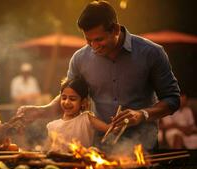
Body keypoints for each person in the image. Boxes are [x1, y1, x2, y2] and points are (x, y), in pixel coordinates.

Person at [17, 1, 180, 151]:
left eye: (99, 39)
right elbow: (69, 96)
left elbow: (172, 99)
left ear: (115, 29)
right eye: (88, 40)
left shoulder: (151, 53)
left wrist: (142, 114)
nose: (94, 47)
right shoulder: (79, 58)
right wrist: (40, 111)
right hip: (99, 148)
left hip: (143, 147)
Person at [46, 77, 119, 151]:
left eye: (72, 99)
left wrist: (115, 125)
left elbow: (108, 128)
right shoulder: (52, 126)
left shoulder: (86, 118)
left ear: (83, 102)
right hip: (59, 162)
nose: (67, 102)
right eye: (64, 98)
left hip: (82, 161)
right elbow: (47, 150)